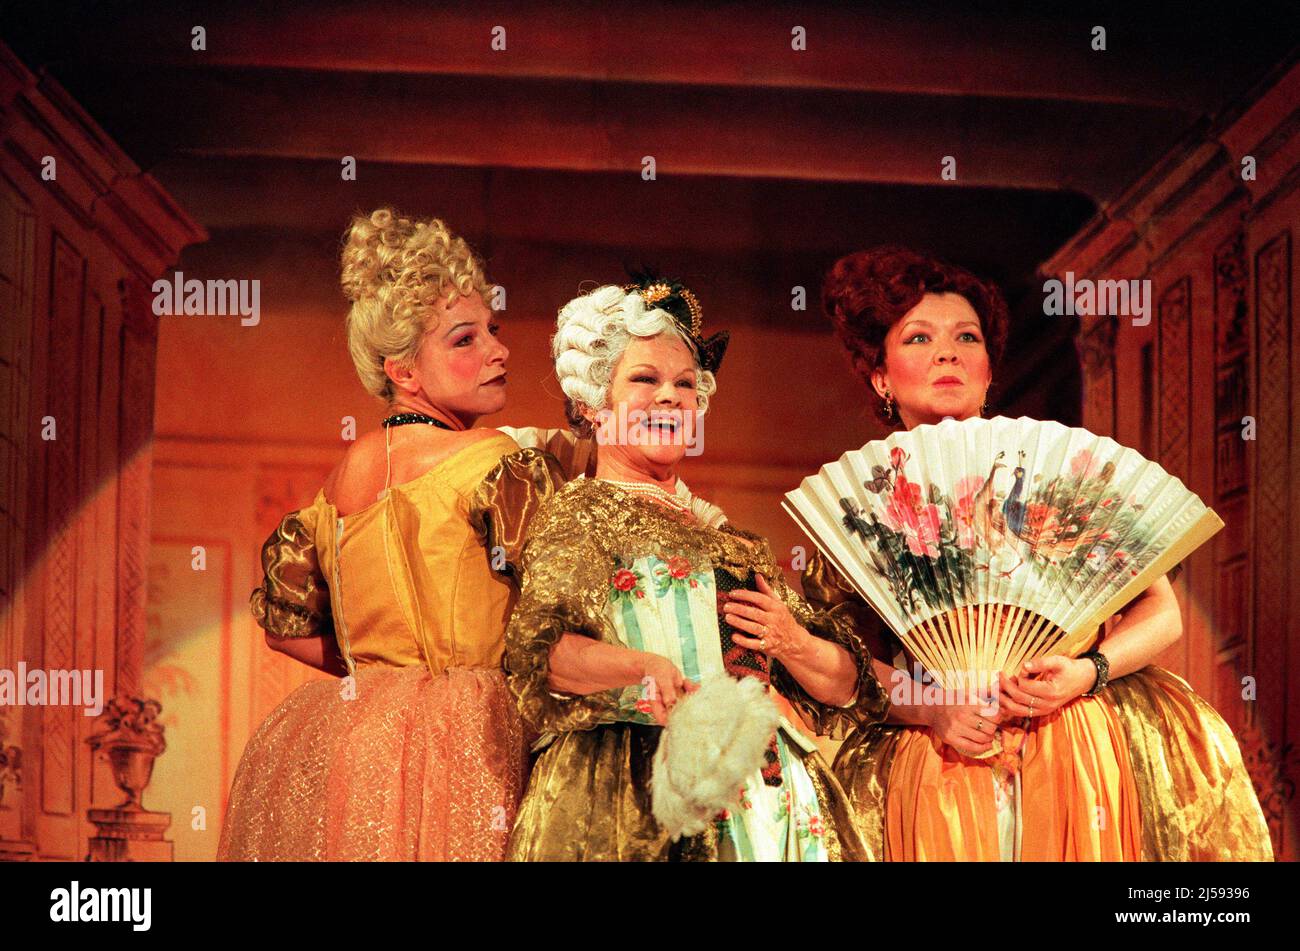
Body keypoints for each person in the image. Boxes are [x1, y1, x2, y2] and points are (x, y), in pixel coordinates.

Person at [802, 245, 1273, 861]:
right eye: (918, 337)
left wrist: (1087, 671)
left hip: (1072, 740)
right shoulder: (857, 510)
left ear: (990, 369)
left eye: (966, 337)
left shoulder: (1058, 478)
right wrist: (930, 709)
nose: (947, 351)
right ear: (881, 377)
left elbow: (1163, 615)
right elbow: (841, 663)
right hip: (939, 752)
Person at [218, 209, 588, 861]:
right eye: (465, 339)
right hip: (471, 742)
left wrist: (385, 677)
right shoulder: (494, 459)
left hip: (352, 743)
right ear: (404, 371)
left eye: (492, 331)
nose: (498, 350)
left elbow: (285, 626)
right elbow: (563, 602)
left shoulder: (340, 478)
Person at [502, 276, 887, 861]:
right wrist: (645, 668)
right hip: (638, 795)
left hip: (773, 807)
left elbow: (843, 687)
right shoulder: (582, 513)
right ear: (591, 401)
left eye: (685, 383)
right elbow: (544, 657)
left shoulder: (734, 541)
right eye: (645, 379)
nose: (670, 397)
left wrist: (793, 642)